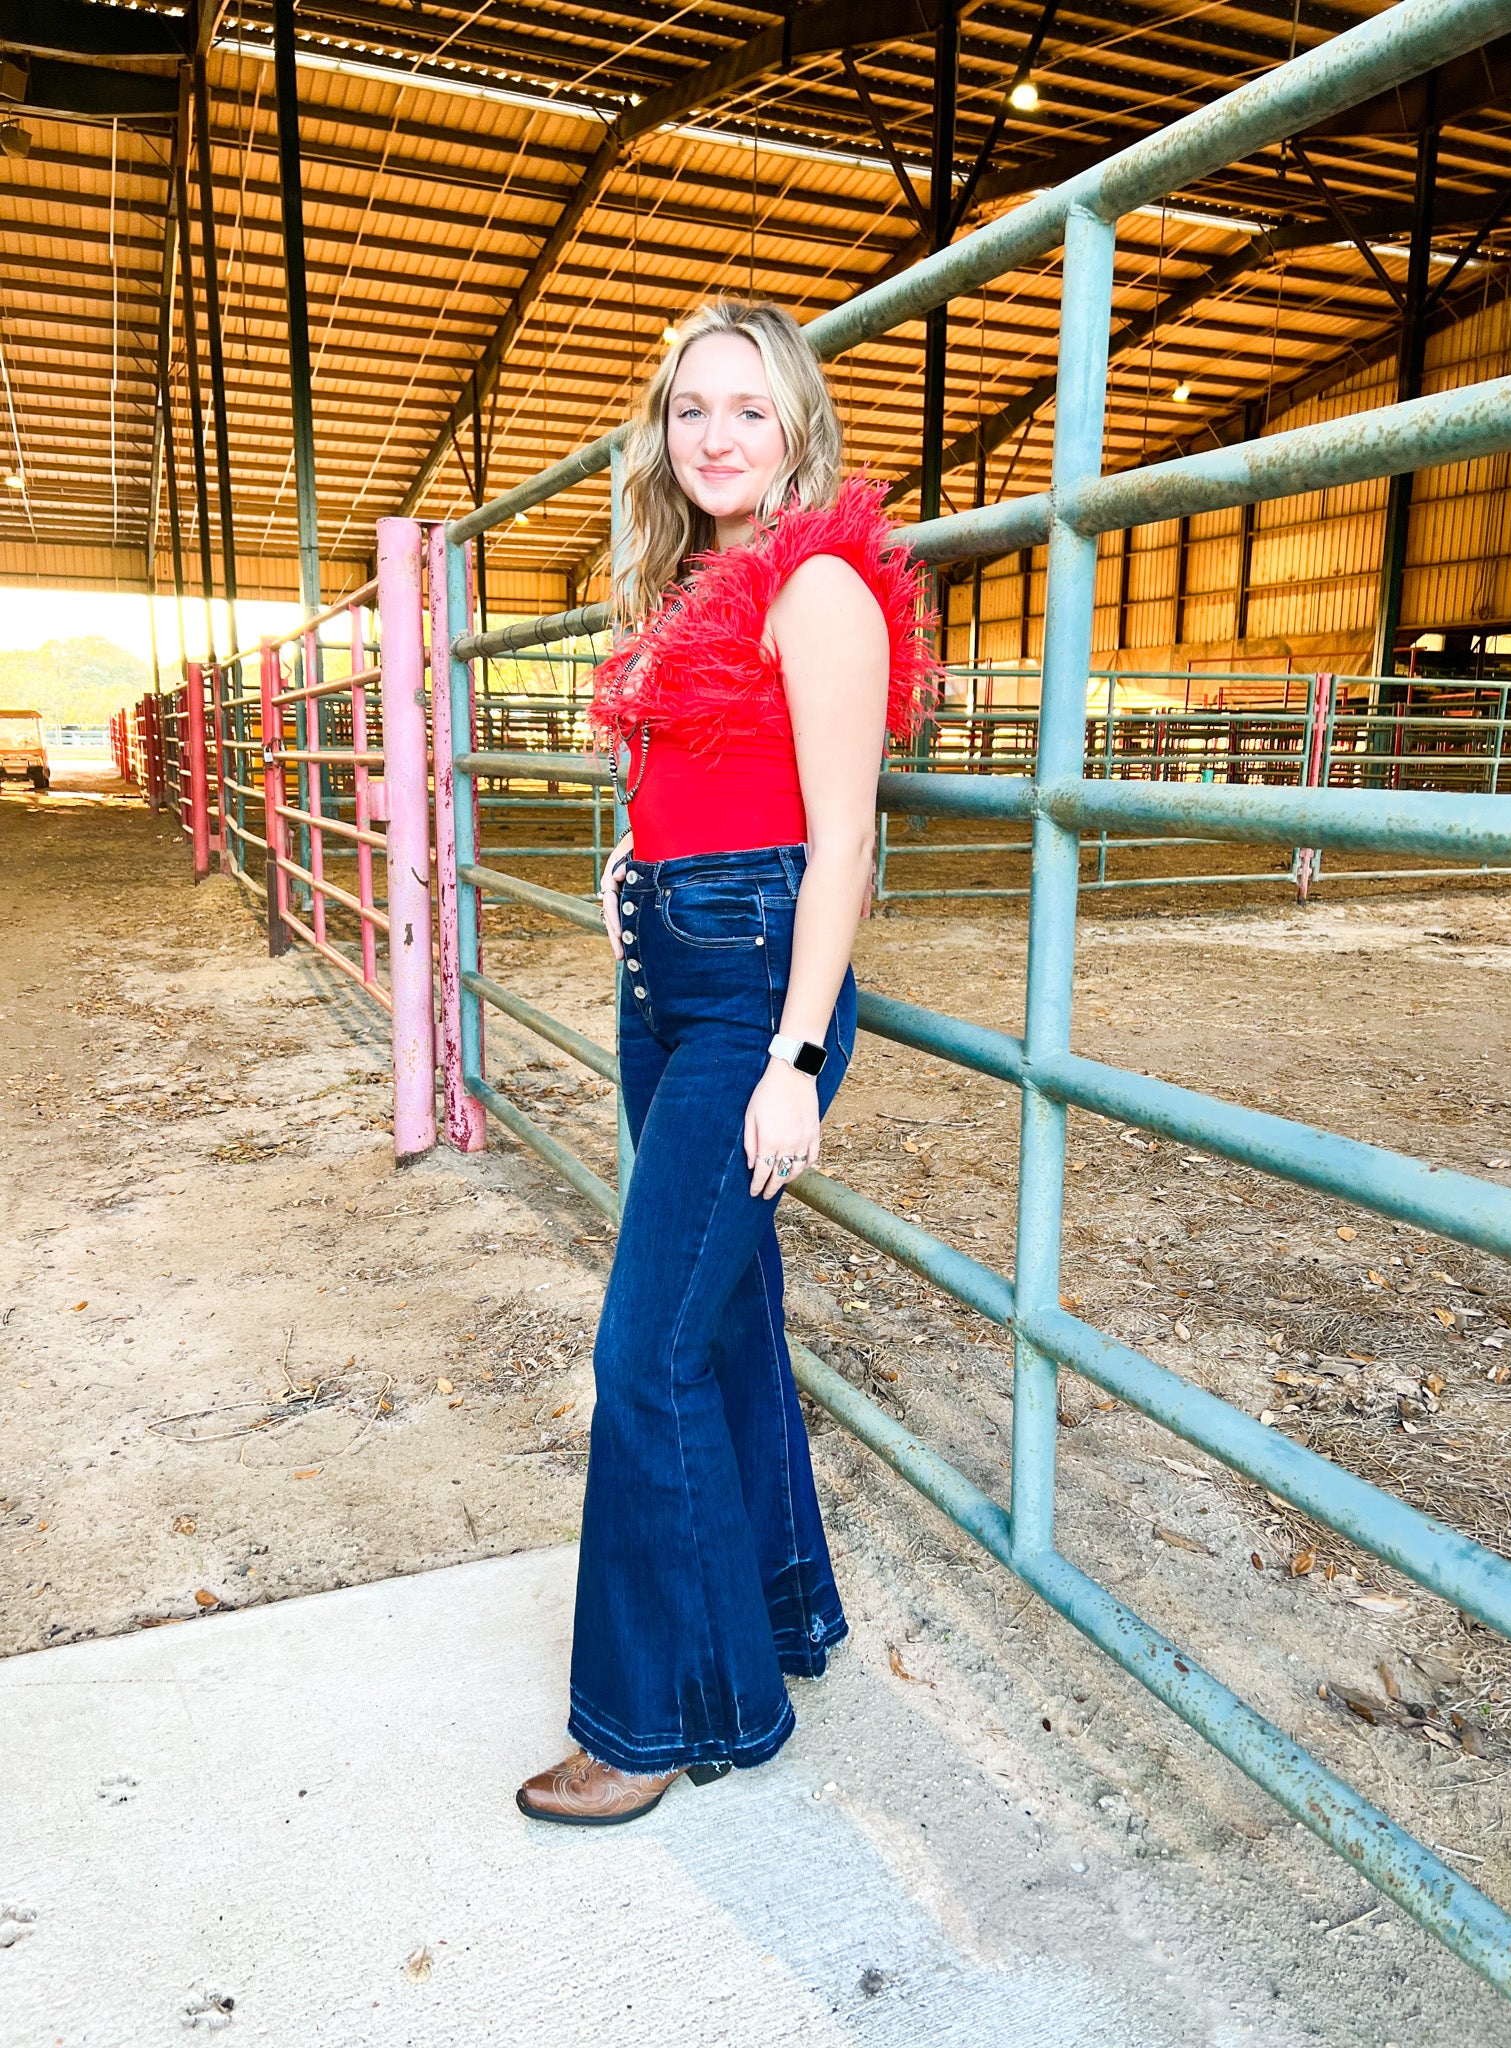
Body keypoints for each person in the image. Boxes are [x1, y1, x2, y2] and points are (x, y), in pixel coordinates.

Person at [516, 299, 941, 1827]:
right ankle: (774, 1616)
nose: (716, 435)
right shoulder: (696, 585)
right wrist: (646, 849)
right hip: (670, 975)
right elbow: (714, 774)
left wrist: (795, 1058)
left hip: (756, 994)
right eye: (693, 408)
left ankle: (655, 1722)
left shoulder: (819, 586)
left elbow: (843, 846)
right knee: (729, 1318)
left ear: (796, 428)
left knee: (642, 1359)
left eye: (748, 411)